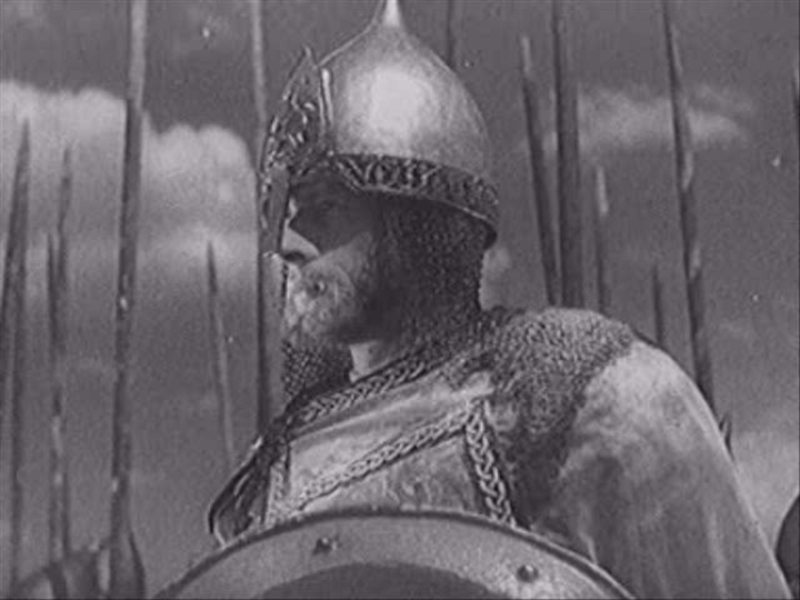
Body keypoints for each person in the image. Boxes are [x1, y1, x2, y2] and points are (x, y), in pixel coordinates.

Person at [208, 1, 790, 597]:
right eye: (288, 210)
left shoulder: (590, 400)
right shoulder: (272, 471)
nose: (288, 243)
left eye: (326, 206)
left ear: (419, 222)